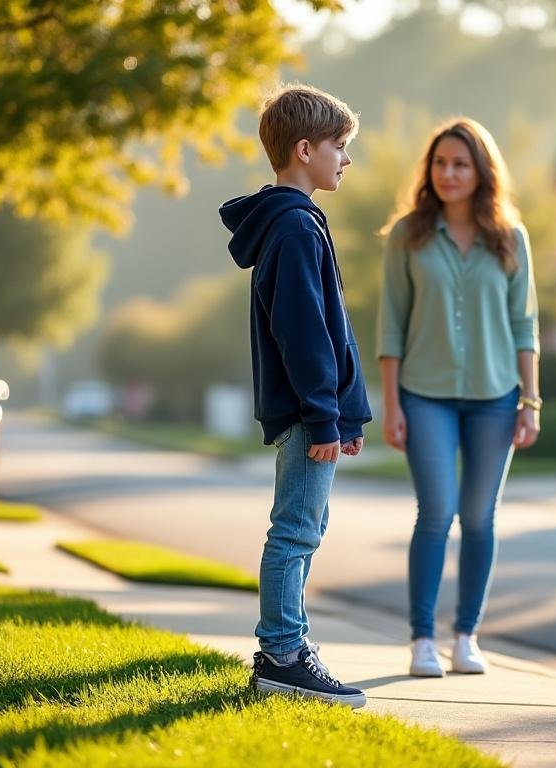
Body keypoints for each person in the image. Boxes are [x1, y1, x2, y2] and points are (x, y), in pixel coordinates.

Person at [219, 84, 372, 708]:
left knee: (305, 526)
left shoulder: (294, 224)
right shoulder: (294, 228)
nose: (345, 158)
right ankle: (283, 655)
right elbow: (304, 331)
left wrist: (346, 410)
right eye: (339, 146)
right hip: (309, 414)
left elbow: (324, 329)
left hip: (317, 412)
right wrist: (323, 414)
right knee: (295, 531)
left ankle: (286, 650)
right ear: (303, 150)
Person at [377, 117, 541, 678]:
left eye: (460, 164)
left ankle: (466, 636)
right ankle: (422, 639)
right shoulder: (407, 235)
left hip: (497, 397)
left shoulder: (510, 238)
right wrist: (392, 406)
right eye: (440, 163)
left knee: (478, 517)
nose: (448, 173)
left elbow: (526, 326)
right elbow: (391, 326)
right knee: (437, 511)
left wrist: (532, 402)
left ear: (480, 171)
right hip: (425, 395)